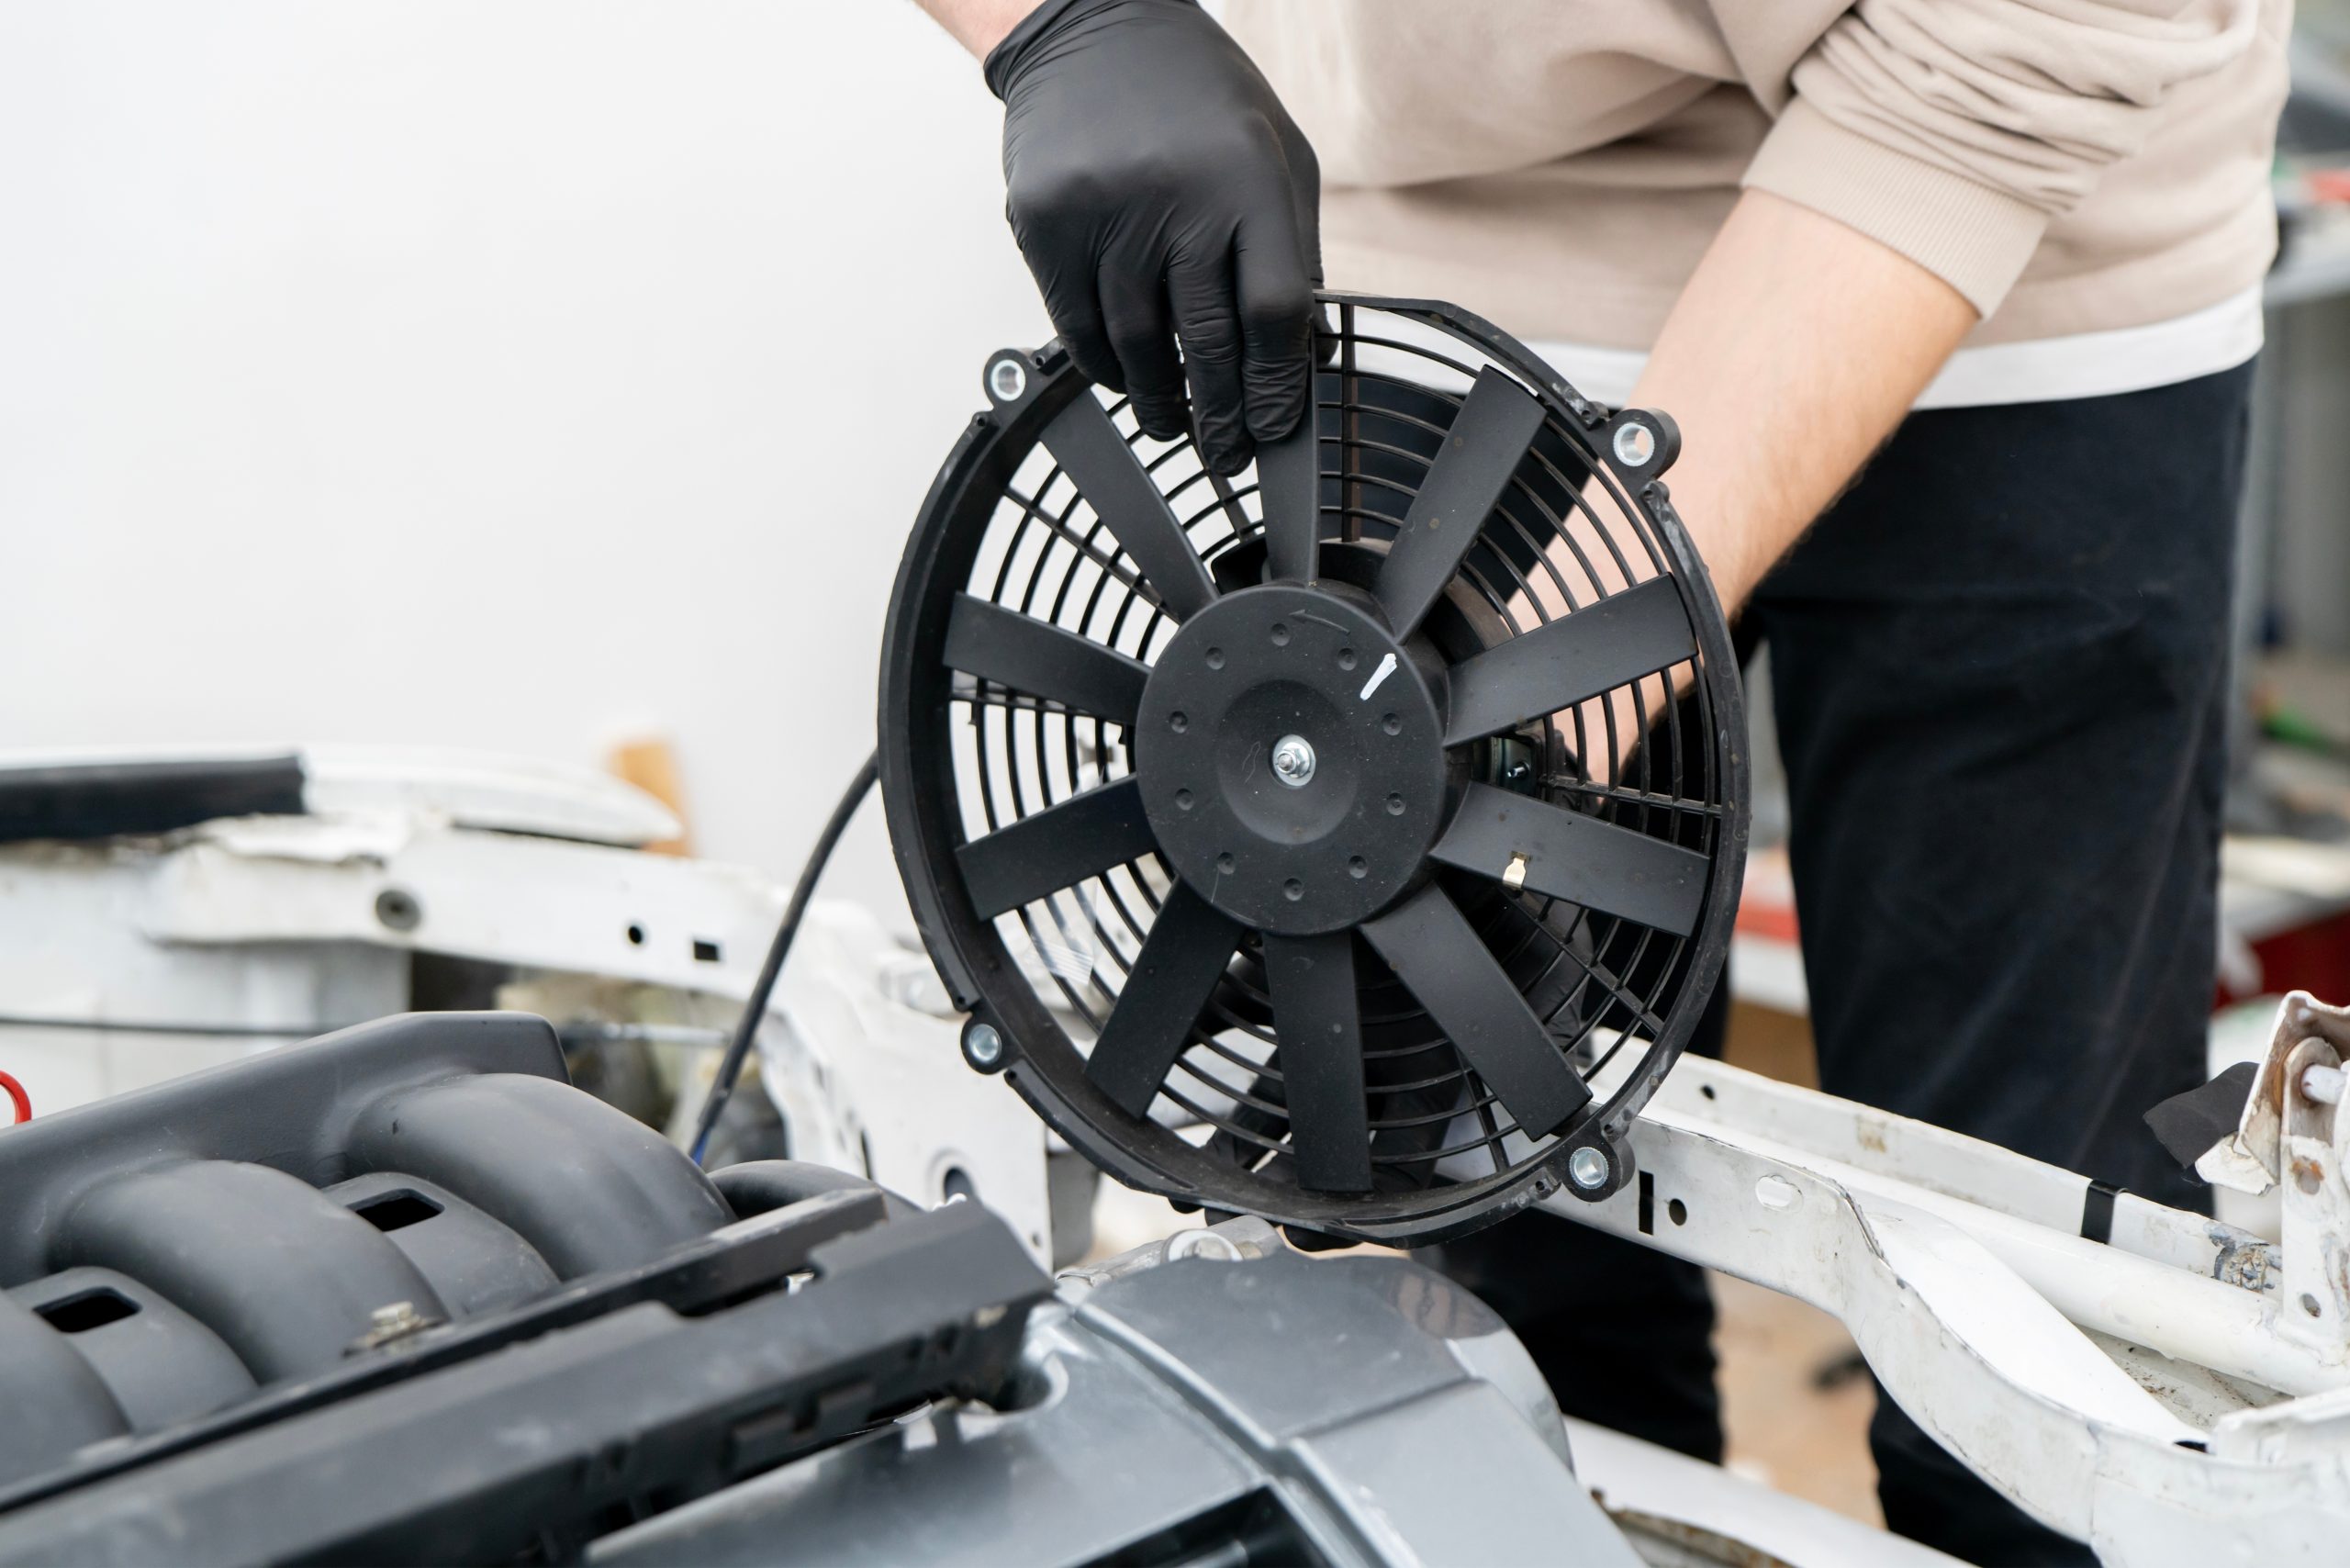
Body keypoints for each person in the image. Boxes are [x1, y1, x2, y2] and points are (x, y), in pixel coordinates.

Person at [917, 0, 2286, 1560]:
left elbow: (1999, 58)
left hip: (2024, 265)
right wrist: (1064, 24)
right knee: (1500, 1323)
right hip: (1436, 294)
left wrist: (1507, 723)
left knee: (2033, 1310)